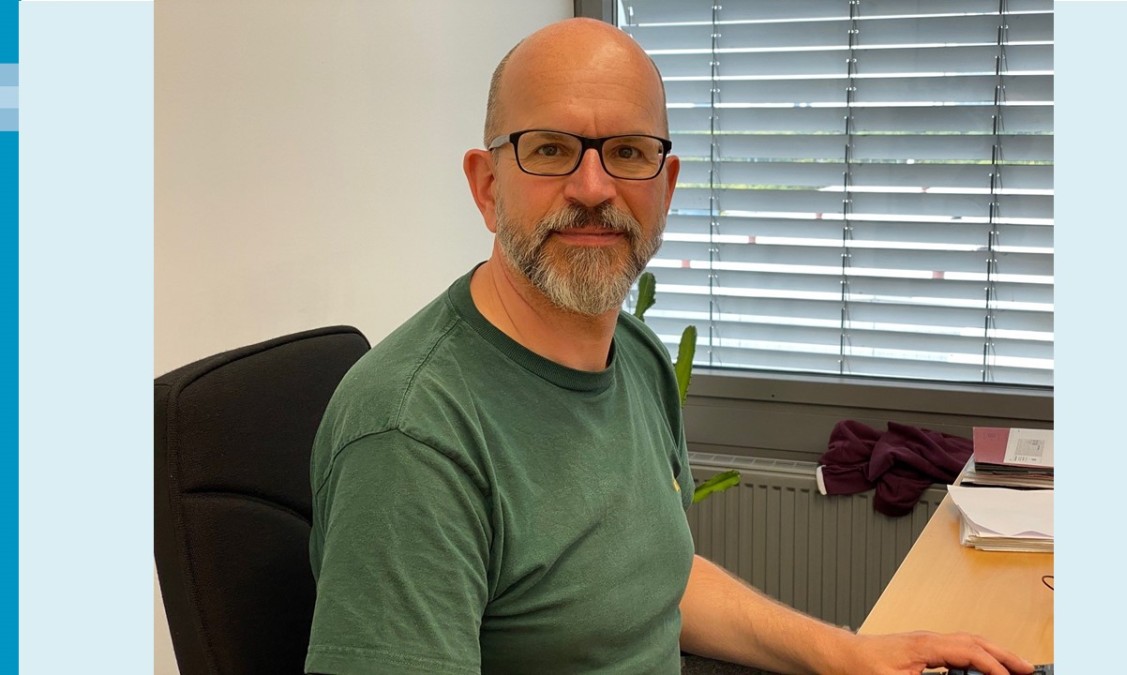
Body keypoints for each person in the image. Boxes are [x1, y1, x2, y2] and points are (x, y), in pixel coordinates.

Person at [305, 17, 1035, 675]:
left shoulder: (636, 356)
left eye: (626, 151)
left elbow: (660, 579)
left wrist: (847, 652)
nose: (593, 187)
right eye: (552, 148)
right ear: (487, 184)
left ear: (666, 184)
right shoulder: (413, 434)